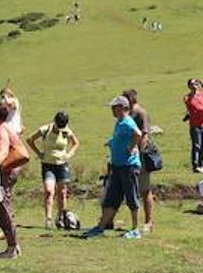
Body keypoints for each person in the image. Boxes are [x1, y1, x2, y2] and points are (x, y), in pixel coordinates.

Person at [83, 95, 143, 239]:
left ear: (123, 108)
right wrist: (112, 142)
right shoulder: (119, 123)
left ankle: (136, 230)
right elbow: (121, 137)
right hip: (117, 166)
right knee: (112, 198)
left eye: (114, 107)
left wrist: (131, 147)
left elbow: (138, 134)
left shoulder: (127, 122)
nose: (112, 110)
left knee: (131, 198)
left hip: (128, 166)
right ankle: (100, 227)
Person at [0, 101, 27, 258]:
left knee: (1, 208)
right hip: (8, 172)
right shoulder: (6, 128)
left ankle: (12, 248)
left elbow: (2, 152)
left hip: (6, 173)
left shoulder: (2, 129)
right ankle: (13, 246)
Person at [28, 110, 79, 229]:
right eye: (58, 126)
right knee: (49, 191)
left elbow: (76, 143)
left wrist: (69, 154)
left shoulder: (66, 131)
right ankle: (48, 219)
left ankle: (61, 217)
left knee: (62, 192)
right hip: (48, 165)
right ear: (54, 122)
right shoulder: (45, 130)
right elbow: (30, 139)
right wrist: (39, 153)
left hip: (62, 165)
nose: (60, 129)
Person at [124, 89, 158, 233]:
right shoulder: (128, 114)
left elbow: (144, 135)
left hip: (140, 156)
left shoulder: (140, 113)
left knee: (145, 190)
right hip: (129, 157)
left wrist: (140, 153)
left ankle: (149, 221)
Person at [183, 79, 203, 173]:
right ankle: (195, 166)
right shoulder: (187, 97)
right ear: (189, 86)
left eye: (196, 84)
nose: (194, 86)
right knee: (196, 145)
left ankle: (200, 164)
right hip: (194, 125)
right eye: (192, 84)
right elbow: (189, 107)